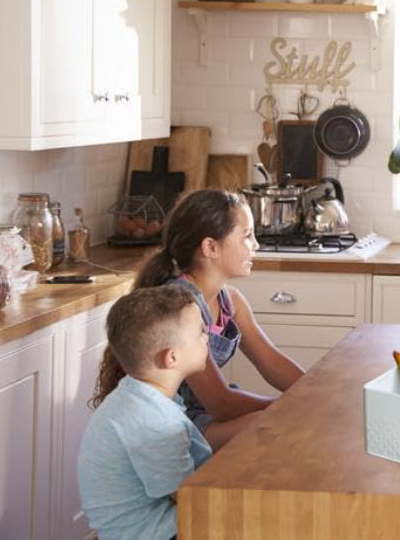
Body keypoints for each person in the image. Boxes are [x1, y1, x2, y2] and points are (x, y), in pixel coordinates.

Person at [91, 189, 304, 451]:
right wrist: (291, 405)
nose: (256, 246)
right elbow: (220, 402)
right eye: (247, 236)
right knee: (273, 424)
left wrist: (314, 391)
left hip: (204, 414)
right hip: (174, 423)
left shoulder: (231, 301)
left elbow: (271, 361)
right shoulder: (181, 308)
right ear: (210, 247)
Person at [78, 283, 213, 540]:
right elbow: (188, 498)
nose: (206, 337)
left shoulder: (139, 397)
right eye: (200, 332)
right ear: (170, 358)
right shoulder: (153, 421)